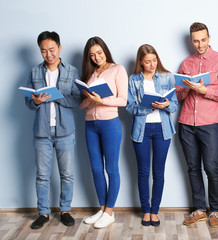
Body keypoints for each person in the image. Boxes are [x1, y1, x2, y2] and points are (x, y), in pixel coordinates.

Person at [177, 22, 218, 227]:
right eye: (195, 41)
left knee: (211, 167)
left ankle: (215, 210)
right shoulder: (186, 63)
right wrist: (187, 88)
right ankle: (199, 209)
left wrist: (204, 90)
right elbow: (178, 94)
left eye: (203, 40)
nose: (199, 44)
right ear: (191, 41)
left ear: (209, 38)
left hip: (209, 123)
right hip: (186, 123)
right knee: (193, 168)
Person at [24, 31, 81, 229]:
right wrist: (36, 101)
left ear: (59, 48)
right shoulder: (34, 72)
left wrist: (57, 97)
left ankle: (65, 210)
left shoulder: (71, 71)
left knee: (67, 174)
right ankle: (43, 213)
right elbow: (28, 103)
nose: (48, 54)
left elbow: (77, 99)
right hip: (41, 132)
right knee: (42, 175)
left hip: (65, 131)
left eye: (52, 49)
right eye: (43, 51)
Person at [126, 44, 178, 227]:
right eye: (147, 61)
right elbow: (129, 107)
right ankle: (145, 211)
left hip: (162, 129)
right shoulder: (132, 80)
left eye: (154, 60)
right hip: (142, 130)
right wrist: (146, 107)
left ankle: (155, 211)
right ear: (140, 62)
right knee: (143, 172)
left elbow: (174, 105)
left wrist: (166, 105)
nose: (152, 64)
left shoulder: (167, 76)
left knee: (158, 172)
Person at [80, 37, 128, 228]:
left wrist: (101, 101)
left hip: (110, 123)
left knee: (111, 169)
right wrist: (89, 99)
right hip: (90, 124)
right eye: (92, 55)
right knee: (96, 169)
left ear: (105, 51)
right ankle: (101, 209)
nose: (96, 57)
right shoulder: (90, 73)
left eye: (99, 53)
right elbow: (82, 105)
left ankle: (110, 212)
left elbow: (123, 100)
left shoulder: (117, 69)